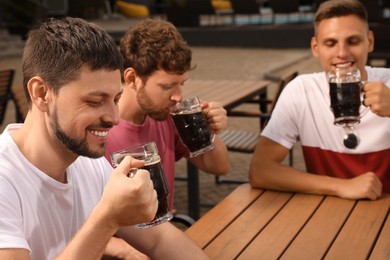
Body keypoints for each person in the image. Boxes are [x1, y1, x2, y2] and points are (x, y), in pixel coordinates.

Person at [0, 17, 208, 259]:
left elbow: (160, 239)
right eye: (95, 101)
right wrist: (107, 219)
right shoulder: (6, 179)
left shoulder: (90, 163)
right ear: (42, 93)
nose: (114, 118)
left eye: (116, 99)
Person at [249, 0, 390, 201]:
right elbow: (260, 170)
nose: (342, 53)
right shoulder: (301, 90)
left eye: (353, 41)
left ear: (370, 42)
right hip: (324, 214)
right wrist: (342, 187)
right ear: (316, 47)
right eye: (330, 43)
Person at [104, 19, 230, 210]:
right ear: (132, 78)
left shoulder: (167, 116)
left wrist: (211, 132)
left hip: (162, 235)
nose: (178, 96)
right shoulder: (100, 132)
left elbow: (219, 167)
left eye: (182, 84)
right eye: (167, 86)